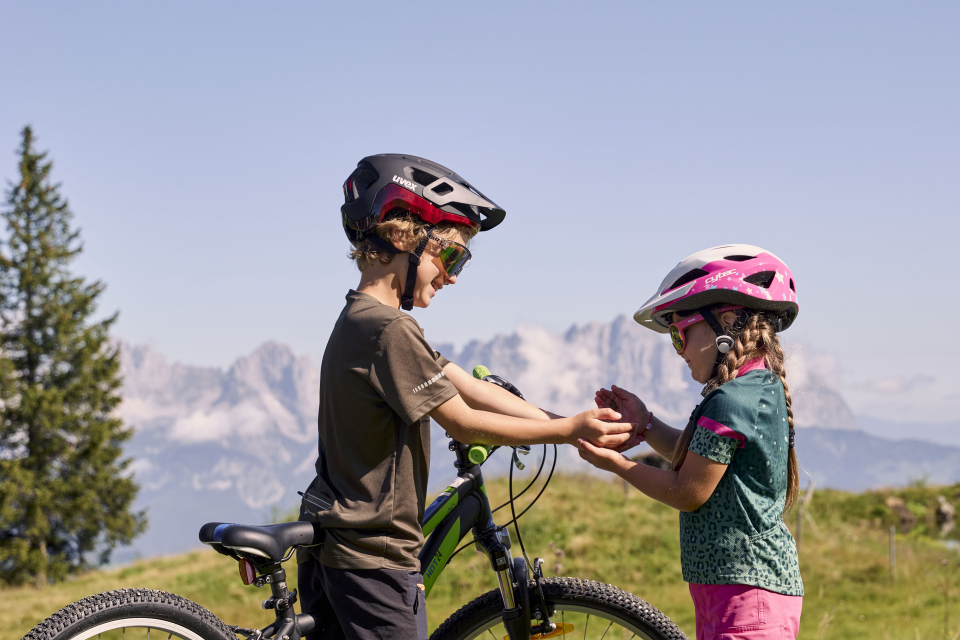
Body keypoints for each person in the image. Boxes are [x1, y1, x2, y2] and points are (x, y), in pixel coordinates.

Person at [298, 154, 636, 640]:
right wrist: (566, 431)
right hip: (374, 557)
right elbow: (463, 421)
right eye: (451, 257)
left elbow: (471, 387)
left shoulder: (363, 319)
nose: (454, 276)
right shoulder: (389, 329)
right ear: (403, 238)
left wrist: (575, 422)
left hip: (340, 545)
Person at [577, 244, 804, 640]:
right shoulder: (752, 388)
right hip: (741, 591)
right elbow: (701, 460)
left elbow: (689, 491)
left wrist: (614, 464)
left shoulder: (732, 400)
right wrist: (646, 424)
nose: (677, 351)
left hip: (747, 597)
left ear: (728, 322)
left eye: (679, 336)